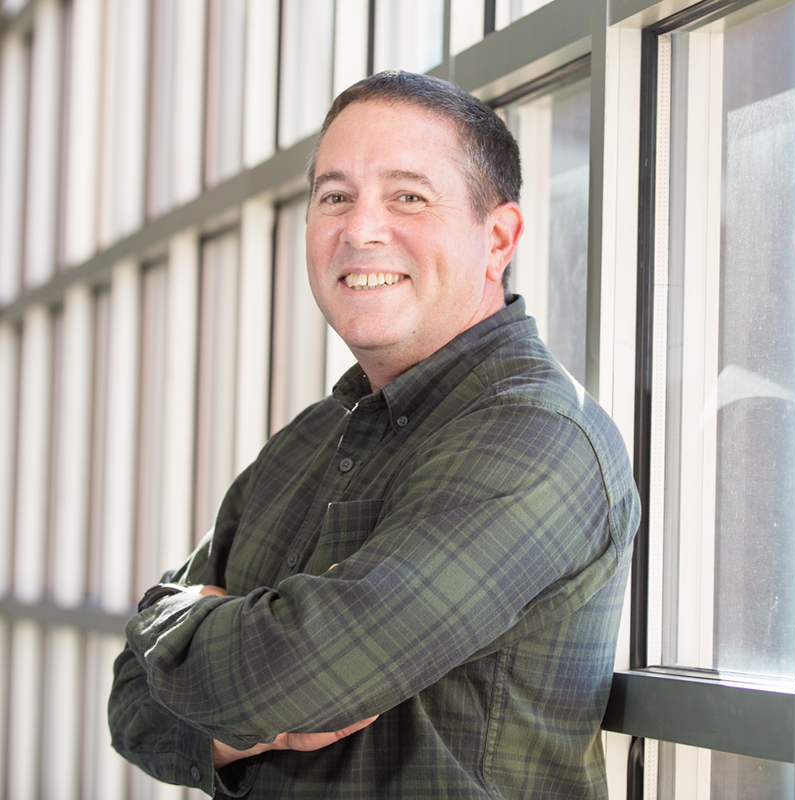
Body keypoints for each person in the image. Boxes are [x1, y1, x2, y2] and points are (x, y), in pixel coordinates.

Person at [108, 70, 639, 799]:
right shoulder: (305, 444)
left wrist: (207, 642)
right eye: (334, 197)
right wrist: (233, 677)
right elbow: (131, 705)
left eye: (408, 197)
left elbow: (297, 680)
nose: (360, 230)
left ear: (498, 238)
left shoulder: (540, 438)